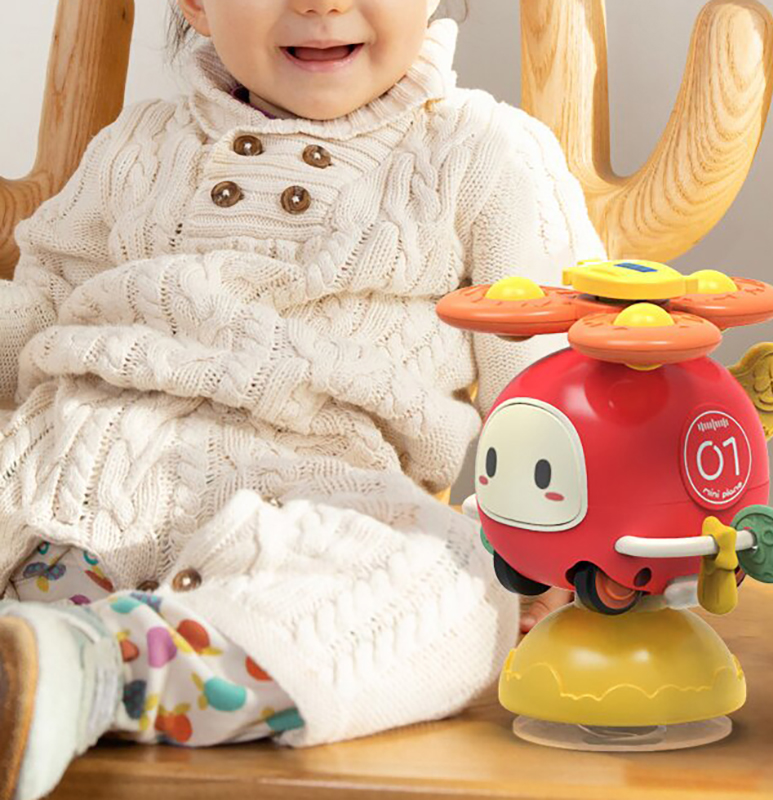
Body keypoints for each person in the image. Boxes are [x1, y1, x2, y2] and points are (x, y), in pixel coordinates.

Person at [0, 1, 605, 798]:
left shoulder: (483, 150)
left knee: (463, 585)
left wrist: (567, 546)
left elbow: (547, 373)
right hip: (68, 471)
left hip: (314, 502)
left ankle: (95, 669)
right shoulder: (137, 143)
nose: (321, 4)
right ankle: (49, 649)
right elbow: (39, 307)